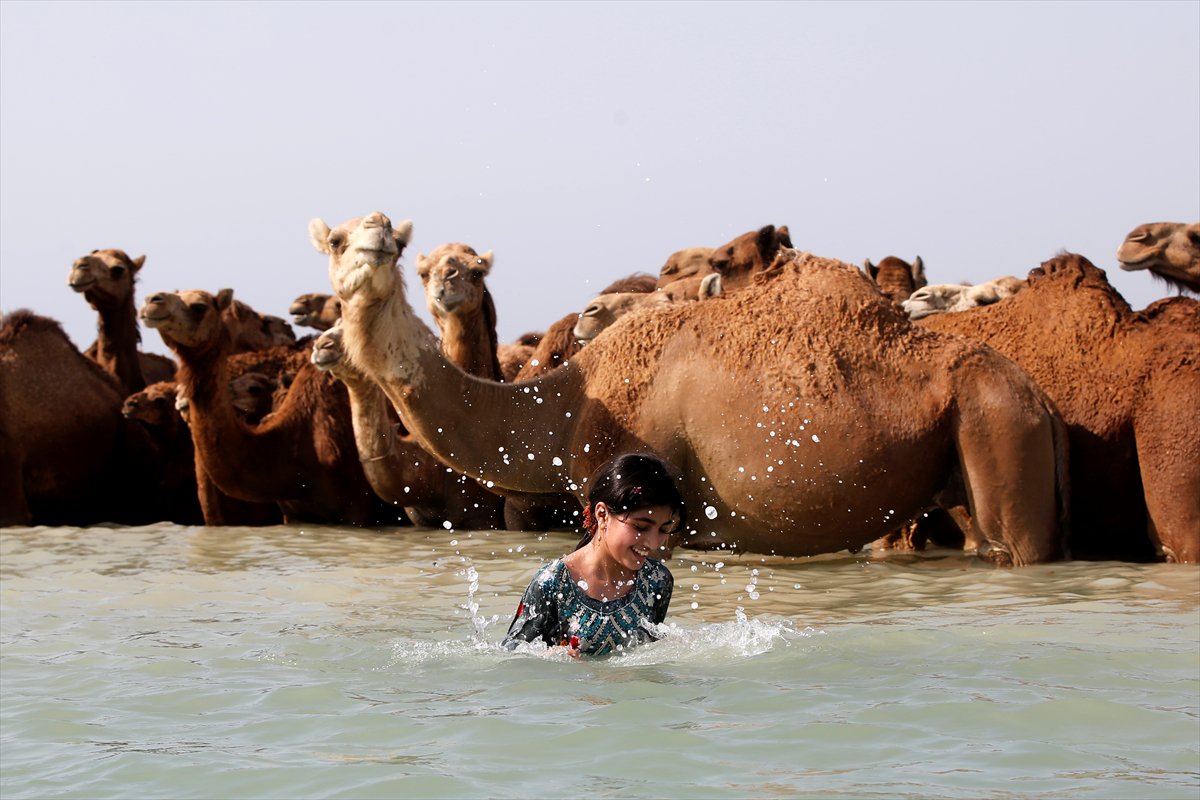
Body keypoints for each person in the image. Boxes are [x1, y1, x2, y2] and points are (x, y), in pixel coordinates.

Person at [502, 452, 686, 657]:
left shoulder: (657, 580)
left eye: (663, 529)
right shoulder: (553, 582)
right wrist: (551, 659)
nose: (653, 542)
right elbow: (511, 656)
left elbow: (648, 656)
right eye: (640, 527)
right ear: (602, 515)